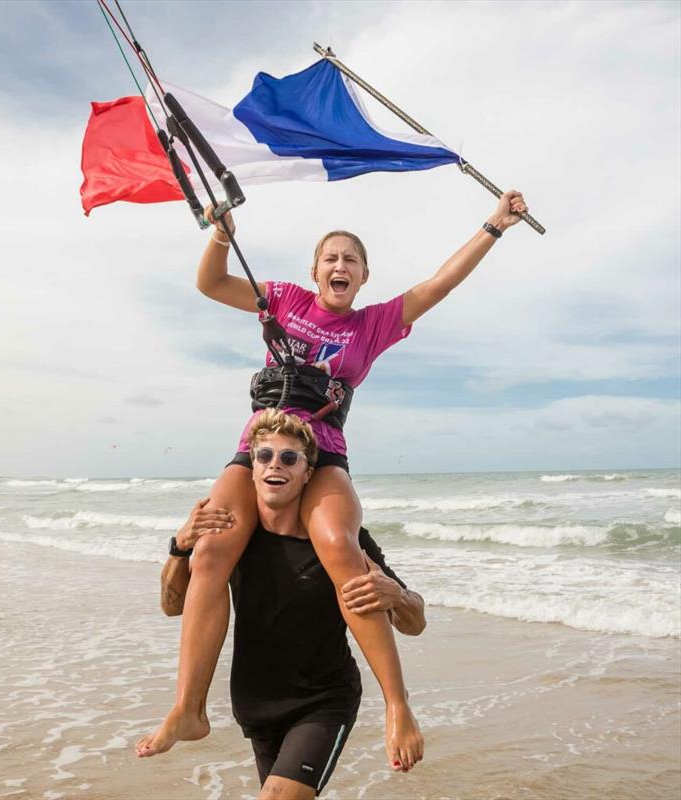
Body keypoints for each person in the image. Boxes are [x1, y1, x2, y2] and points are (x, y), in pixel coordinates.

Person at [140, 190, 529, 766]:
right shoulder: (283, 300)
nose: (340, 265)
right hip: (261, 446)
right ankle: (189, 708)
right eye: (331, 257)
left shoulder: (373, 325)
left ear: (364, 275)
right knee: (212, 544)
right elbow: (211, 284)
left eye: (351, 259)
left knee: (339, 545)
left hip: (322, 451)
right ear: (314, 271)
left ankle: (396, 704)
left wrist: (495, 225)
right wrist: (221, 233)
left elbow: (439, 284)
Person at [138, 410, 426, 797]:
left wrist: (397, 594)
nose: (276, 465)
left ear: (308, 473)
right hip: (256, 706)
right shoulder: (230, 538)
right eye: (265, 456)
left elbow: (415, 622)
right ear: (251, 469)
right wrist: (180, 549)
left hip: (323, 702)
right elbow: (173, 607)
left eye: (289, 458)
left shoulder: (341, 539)